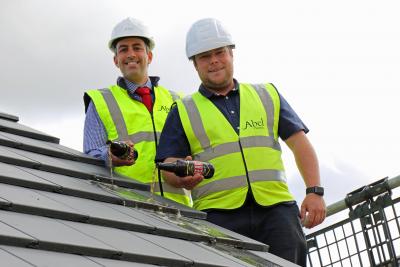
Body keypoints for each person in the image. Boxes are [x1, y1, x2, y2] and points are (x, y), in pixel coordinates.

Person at [155, 18, 326, 266]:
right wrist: (180, 176)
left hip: (277, 211)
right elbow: (168, 163)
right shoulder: (182, 110)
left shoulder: (267, 94)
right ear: (195, 64)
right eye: (204, 56)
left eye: (219, 52)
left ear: (231, 53)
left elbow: (300, 144)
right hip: (218, 218)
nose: (213, 60)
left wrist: (314, 191)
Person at [83, 17, 190, 206]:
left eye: (137, 47)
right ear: (116, 60)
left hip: (179, 209)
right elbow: (90, 155)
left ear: (149, 56)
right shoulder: (100, 101)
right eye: (123, 49)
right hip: (127, 209)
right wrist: (109, 155)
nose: (131, 54)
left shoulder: (178, 101)